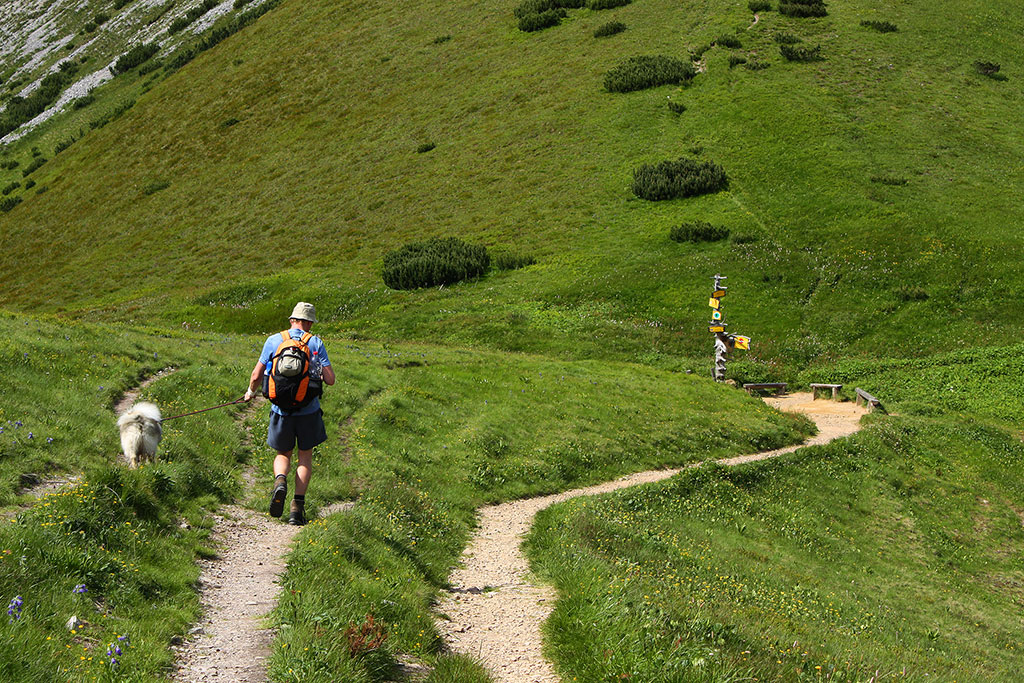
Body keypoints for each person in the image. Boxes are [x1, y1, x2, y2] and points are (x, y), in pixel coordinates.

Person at [244, 302, 336, 525]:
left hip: (280, 410)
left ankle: (280, 481)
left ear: (292, 320)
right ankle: (297, 509)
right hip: (309, 411)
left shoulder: (274, 340)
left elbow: (257, 374)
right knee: (304, 457)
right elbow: (330, 380)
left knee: (283, 453)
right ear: (309, 322)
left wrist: (249, 392)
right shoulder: (315, 342)